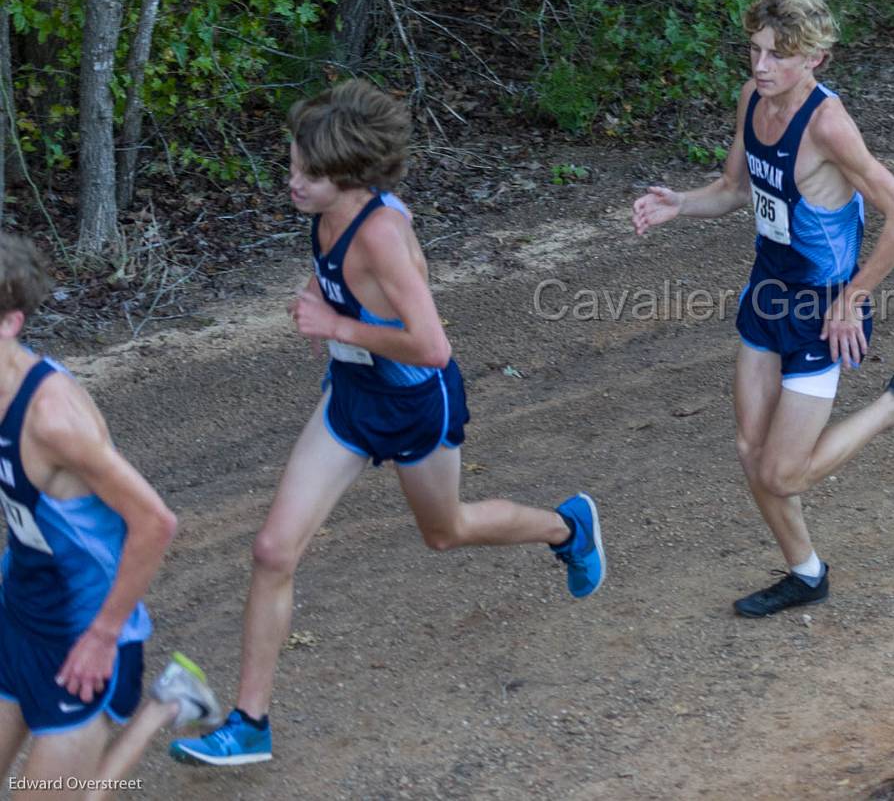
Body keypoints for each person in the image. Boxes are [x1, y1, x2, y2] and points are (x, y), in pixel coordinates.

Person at [170, 80, 605, 765]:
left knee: (446, 532)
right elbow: (336, 277)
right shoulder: (327, 213)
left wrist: (336, 321)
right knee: (272, 550)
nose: (292, 182)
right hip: (350, 395)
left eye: (306, 175)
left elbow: (433, 347)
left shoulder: (383, 236)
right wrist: (319, 295)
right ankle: (250, 723)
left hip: (412, 402)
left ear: (348, 177)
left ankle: (568, 526)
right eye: (291, 165)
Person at [632, 0, 894, 618]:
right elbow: (733, 188)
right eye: (755, 50)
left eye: (778, 56)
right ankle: (806, 573)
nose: (761, 67)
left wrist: (853, 299)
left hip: (822, 310)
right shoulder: (752, 99)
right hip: (767, 293)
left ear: (815, 59)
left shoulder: (829, 125)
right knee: (751, 455)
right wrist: (680, 204)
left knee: (783, 473)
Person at [0, 234, 221, 799]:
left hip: (85, 636)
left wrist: (101, 637)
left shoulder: (54, 420)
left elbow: (155, 522)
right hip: (19, 612)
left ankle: (169, 702)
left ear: (10, 323)